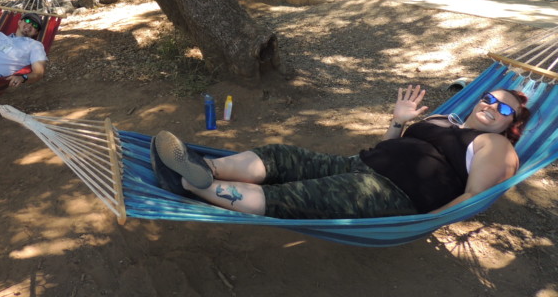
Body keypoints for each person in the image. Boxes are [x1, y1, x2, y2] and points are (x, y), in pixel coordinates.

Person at [150, 85, 531, 219]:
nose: (492, 107)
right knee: (281, 156)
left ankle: (191, 185)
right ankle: (201, 167)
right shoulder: (444, 120)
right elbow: (389, 146)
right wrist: (398, 121)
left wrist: (424, 222)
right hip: (360, 164)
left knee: (295, 197)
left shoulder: (497, 145)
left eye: (504, 109)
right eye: (489, 98)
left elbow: (473, 195)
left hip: (391, 193)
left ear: (511, 124)